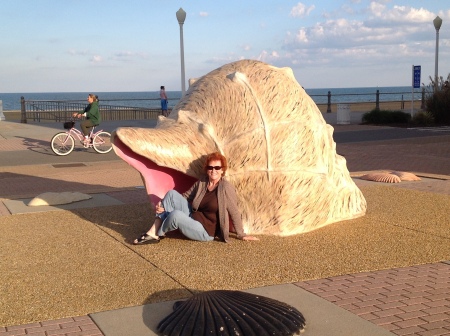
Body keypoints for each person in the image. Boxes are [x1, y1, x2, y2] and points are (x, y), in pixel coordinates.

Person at [134, 152, 259, 244]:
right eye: (210, 167)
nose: (213, 170)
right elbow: (184, 197)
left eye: (217, 168)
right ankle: (154, 231)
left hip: (206, 231)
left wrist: (241, 234)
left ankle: (156, 232)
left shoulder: (225, 188)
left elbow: (234, 211)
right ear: (207, 169)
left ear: (222, 170)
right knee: (171, 194)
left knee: (176, 215)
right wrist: (163, 205)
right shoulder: (203, 182)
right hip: (193, 216)